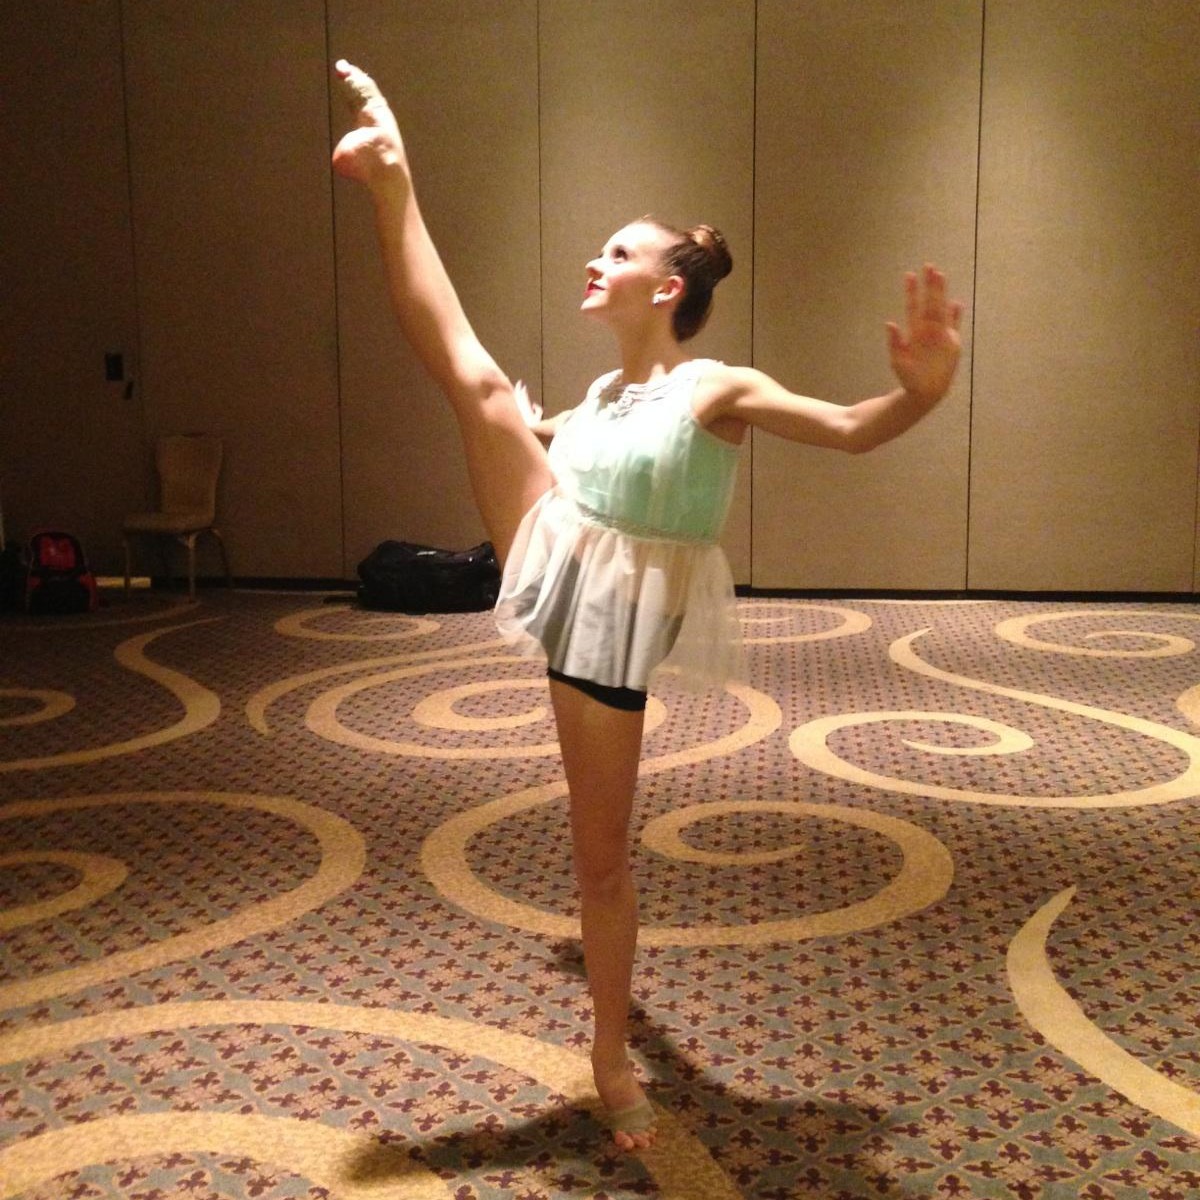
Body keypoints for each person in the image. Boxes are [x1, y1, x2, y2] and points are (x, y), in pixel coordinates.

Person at [332, 59, 962, 1152]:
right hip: (562, 565)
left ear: (669, 289)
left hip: (614, 622)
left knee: (601, 861)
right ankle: (394, 182)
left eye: (620, 253)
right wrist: (532, 429)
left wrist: (919, 394)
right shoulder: (601, 398)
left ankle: (612, 1058)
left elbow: (850, 429)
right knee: (476, 387)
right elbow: (562, 445)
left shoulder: (715, 387)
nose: (598, 260)